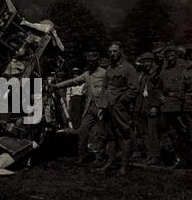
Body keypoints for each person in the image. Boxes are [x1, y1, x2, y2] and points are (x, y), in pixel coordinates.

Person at [53, 52, 106, 165]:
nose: (90, 63)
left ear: (97, 61)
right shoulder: (86, 74)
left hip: (102, 107)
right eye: (89, 62)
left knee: (101, 133)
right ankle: (83, 155)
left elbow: (110, 90)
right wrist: (56, 86)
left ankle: (100, 157)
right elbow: (73, 81)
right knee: (82, 131)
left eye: (93, 61)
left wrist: (106, 105)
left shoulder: (104, 73)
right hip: (89, 108)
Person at [96, 42, 138, 176]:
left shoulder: (128, 68)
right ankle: (110, 161)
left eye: (114, 51)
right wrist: (102, 105)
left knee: (124, 133)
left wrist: (121, 101)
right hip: (107, 105)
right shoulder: (109, 68)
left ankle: (124, 166)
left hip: (119, 106)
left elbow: (134, 89)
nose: (112, 54)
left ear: (120, 52)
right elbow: (104, 88)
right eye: (110, 51)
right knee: (110, 134)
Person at [157, 46, 187, 168]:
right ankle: (178, 158)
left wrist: (181, 96)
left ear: (177, 56)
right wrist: (161, 97)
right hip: (168, 107)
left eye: (173, 55)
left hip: (182, 106)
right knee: (171, 134)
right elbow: (158, 88)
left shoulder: (183, 69)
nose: (171, 58)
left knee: (185, 132)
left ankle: (186, 158)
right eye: (168, 56)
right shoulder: (164, 72)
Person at [133, 52, 161, 165]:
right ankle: (150, 154)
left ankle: (156, 156)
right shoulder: (142, 75)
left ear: (152, 62)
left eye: (148, 61)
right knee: (144, 132)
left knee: (152, 132)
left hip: (151, 106)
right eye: (144, 62)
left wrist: (155, 105)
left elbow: (159, 91)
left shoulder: (156, 74)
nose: (146, 64)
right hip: (142, 106)